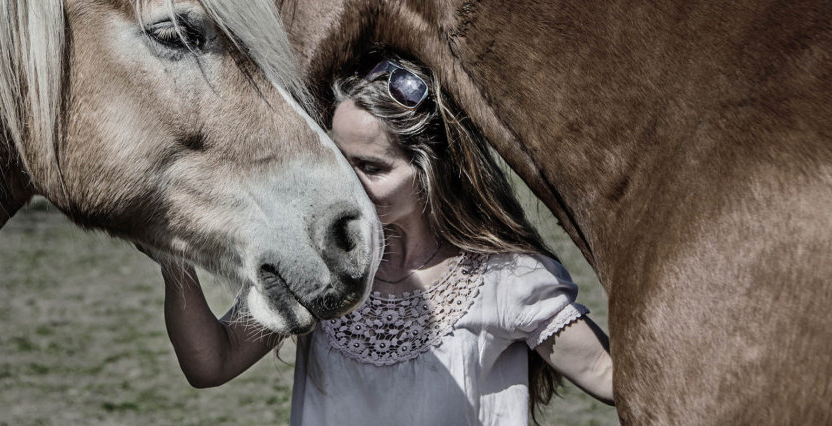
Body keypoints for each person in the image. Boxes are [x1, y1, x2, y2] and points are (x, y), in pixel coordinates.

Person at [153, 53, 614, 425]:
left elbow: (607, 375)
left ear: (431, 171)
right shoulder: (319, 267)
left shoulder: (508, 279)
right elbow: (211, 364)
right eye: (339, 160)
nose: (347, 187)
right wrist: (172, 260)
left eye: (372, 168)